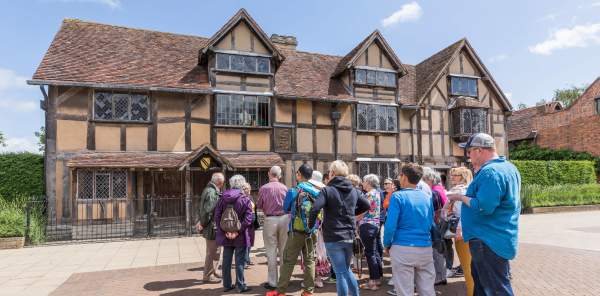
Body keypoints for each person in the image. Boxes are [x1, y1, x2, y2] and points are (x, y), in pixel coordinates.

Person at [449, 133, 521, 296]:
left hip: (488, 240)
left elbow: (483, 206)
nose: (468, 157)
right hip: (493, 238)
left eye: (469, 152)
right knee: (482, 287)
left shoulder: (491, 172)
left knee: (496, 289)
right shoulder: (509, 167)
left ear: (479, 150)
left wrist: (459, 197)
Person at [309, 160, 370, 296]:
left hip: (333, 236)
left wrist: (310, 226)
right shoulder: (353, 190)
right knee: (345, 270)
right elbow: (366, 205)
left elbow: (314, 209)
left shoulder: (327, 190)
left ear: (333, 173)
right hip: (349, 235)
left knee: (341, 272)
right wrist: (351, 215)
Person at [267, 164, 321, 296]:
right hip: (312, 231)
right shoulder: (317, 191)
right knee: (309, 260)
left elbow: (285, 209)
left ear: (299, 175)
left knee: (288, 260)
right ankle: (308, 291)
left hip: (296, 231)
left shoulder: (293, 191)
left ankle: (280, 291)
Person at [384, 163, 435, 296]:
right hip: (425, 246)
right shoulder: (426, 196)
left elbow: (390, 225)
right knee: (427, 290)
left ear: (404, 177)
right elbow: (430, 222)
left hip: (402, 246)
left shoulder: (397, 196)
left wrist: (387, 243)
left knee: (405, 291)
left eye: (400, 175)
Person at [214, 175, 254, 293]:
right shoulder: (244, 199)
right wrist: (238, 231)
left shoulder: (222, 198)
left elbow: (217, 216)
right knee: (240, 260)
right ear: (242, 185)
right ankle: (240, 286)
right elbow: (249, 218)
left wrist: (225, 231)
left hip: (226, 234)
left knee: (226, 259)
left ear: (231, 184)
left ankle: (226, 284)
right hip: (240, 235)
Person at [257, 166, 289, 290]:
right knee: (283, 250)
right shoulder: (285, 188)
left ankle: (273, 282)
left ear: (269, 174)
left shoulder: (264, 188)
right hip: (285, 218)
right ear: (280, 176)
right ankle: (283, 279)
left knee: (271, 251)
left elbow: (259, 205)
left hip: (270, 219)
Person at [444, 166, 474, 296]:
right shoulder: (471, 189)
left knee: (467, 267)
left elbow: (462, 213)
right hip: (473, 232)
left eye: (455, 175)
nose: (452, 177)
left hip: (462, 233)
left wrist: (459, 230)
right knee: (472, 267)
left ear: (462, 177)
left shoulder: (457, 191)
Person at [196, 172, 225, 284]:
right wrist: (202, 223)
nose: (223, 184)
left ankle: (214, 271)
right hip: (211, 226)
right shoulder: (212, 192)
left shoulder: (209, 190)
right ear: (219, 182)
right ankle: (208, 276)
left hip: (211, 226)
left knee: (215, 250)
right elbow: (208, 211)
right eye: (222, 182)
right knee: (213, 252)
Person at [422, 167, 448, 286]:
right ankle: (441, 276)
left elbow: (437, 211)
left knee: (436, 252)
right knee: (437, 251)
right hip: (434, 225)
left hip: (432, 226)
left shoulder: (433, 192)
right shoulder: (433, 191)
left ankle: (439, 277)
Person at [358, 174, 383, 290]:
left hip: (367, 225)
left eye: (363, 181)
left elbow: (362, 212)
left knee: (370, 254)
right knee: (374, 252)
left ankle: (373, 281)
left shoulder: (368, 195)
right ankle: (377, 279)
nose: (362, 183)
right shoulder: (376, 193)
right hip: (375, 225)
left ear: (368, 182)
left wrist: (353, 219)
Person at [242, 182, 256, 269]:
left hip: (252, 223)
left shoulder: (250, 197)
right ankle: (244, 261)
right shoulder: (242, 198)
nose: (249, 190)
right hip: (246, 222)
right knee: (245, 243)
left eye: (249, 188)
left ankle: (247, 259)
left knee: (250, 242)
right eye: (246, 188)